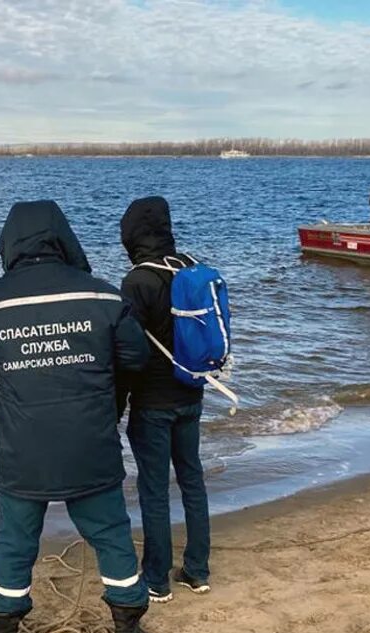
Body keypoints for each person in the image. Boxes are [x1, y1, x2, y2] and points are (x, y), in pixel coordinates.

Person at [0, 200, 154, 633]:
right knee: (110, 535)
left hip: (24, 451)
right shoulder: (103, 297)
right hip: (91, 446)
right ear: (63, 238)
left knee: (15, 540)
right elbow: (136, 360)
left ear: (10, 243)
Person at [118, 197, 212, 603]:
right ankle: (197, 570)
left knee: (154, 490)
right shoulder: (190, 266)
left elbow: (128, 351)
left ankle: (156, 579)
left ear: (132, 234)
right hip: (192, 391)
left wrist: (114, 405)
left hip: (153, 402)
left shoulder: (138, 280)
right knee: (192, 479)